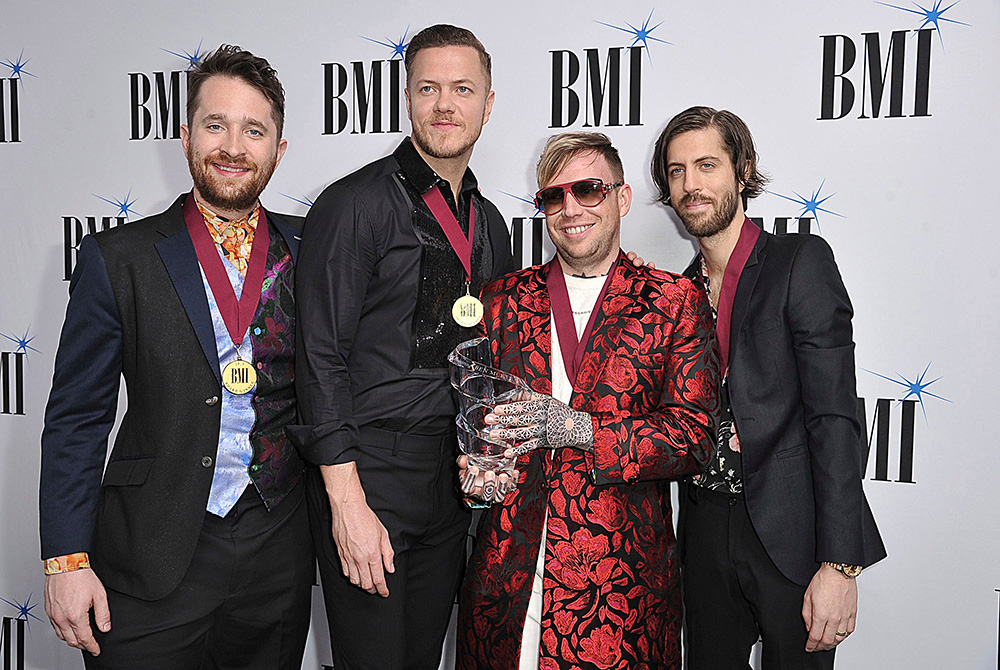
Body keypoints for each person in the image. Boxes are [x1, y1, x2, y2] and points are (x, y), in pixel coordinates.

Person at [39, 45, 312, 670]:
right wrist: (66, 559)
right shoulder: (118, 257)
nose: (233, 147)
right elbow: (78, 417)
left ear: (280, 149)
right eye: (215, 125)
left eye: (254, 130)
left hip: (278, 554)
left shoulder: (314, 247)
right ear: (185, 134)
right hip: (150, 552)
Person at [291, 24, 516, 670]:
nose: (445, 104)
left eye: (462, 89)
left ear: (488, 104)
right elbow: (319, 359)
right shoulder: (353, 205)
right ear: (407, 97)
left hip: (450, 484)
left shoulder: (490, 221)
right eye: (429, 88)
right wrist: (348, 503)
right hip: (370, 477)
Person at [455, 132, 720, 670]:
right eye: (554, 195)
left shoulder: (673, 301)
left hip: (620, 599)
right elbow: (477, 424)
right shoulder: (499, 299)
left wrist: (580, 430)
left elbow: (694, 438)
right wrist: (477, 476)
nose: (570, 208)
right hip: (506, 589)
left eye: (589, 189)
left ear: (622, 199)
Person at [650, 106, 886, 668]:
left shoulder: (799, 261)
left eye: (706, 165)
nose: (691, 184)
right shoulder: (675, 294)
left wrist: (839, 564)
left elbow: (835, 417)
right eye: (677, 171)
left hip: (791, 536)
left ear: (743, 170)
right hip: (704, 534)